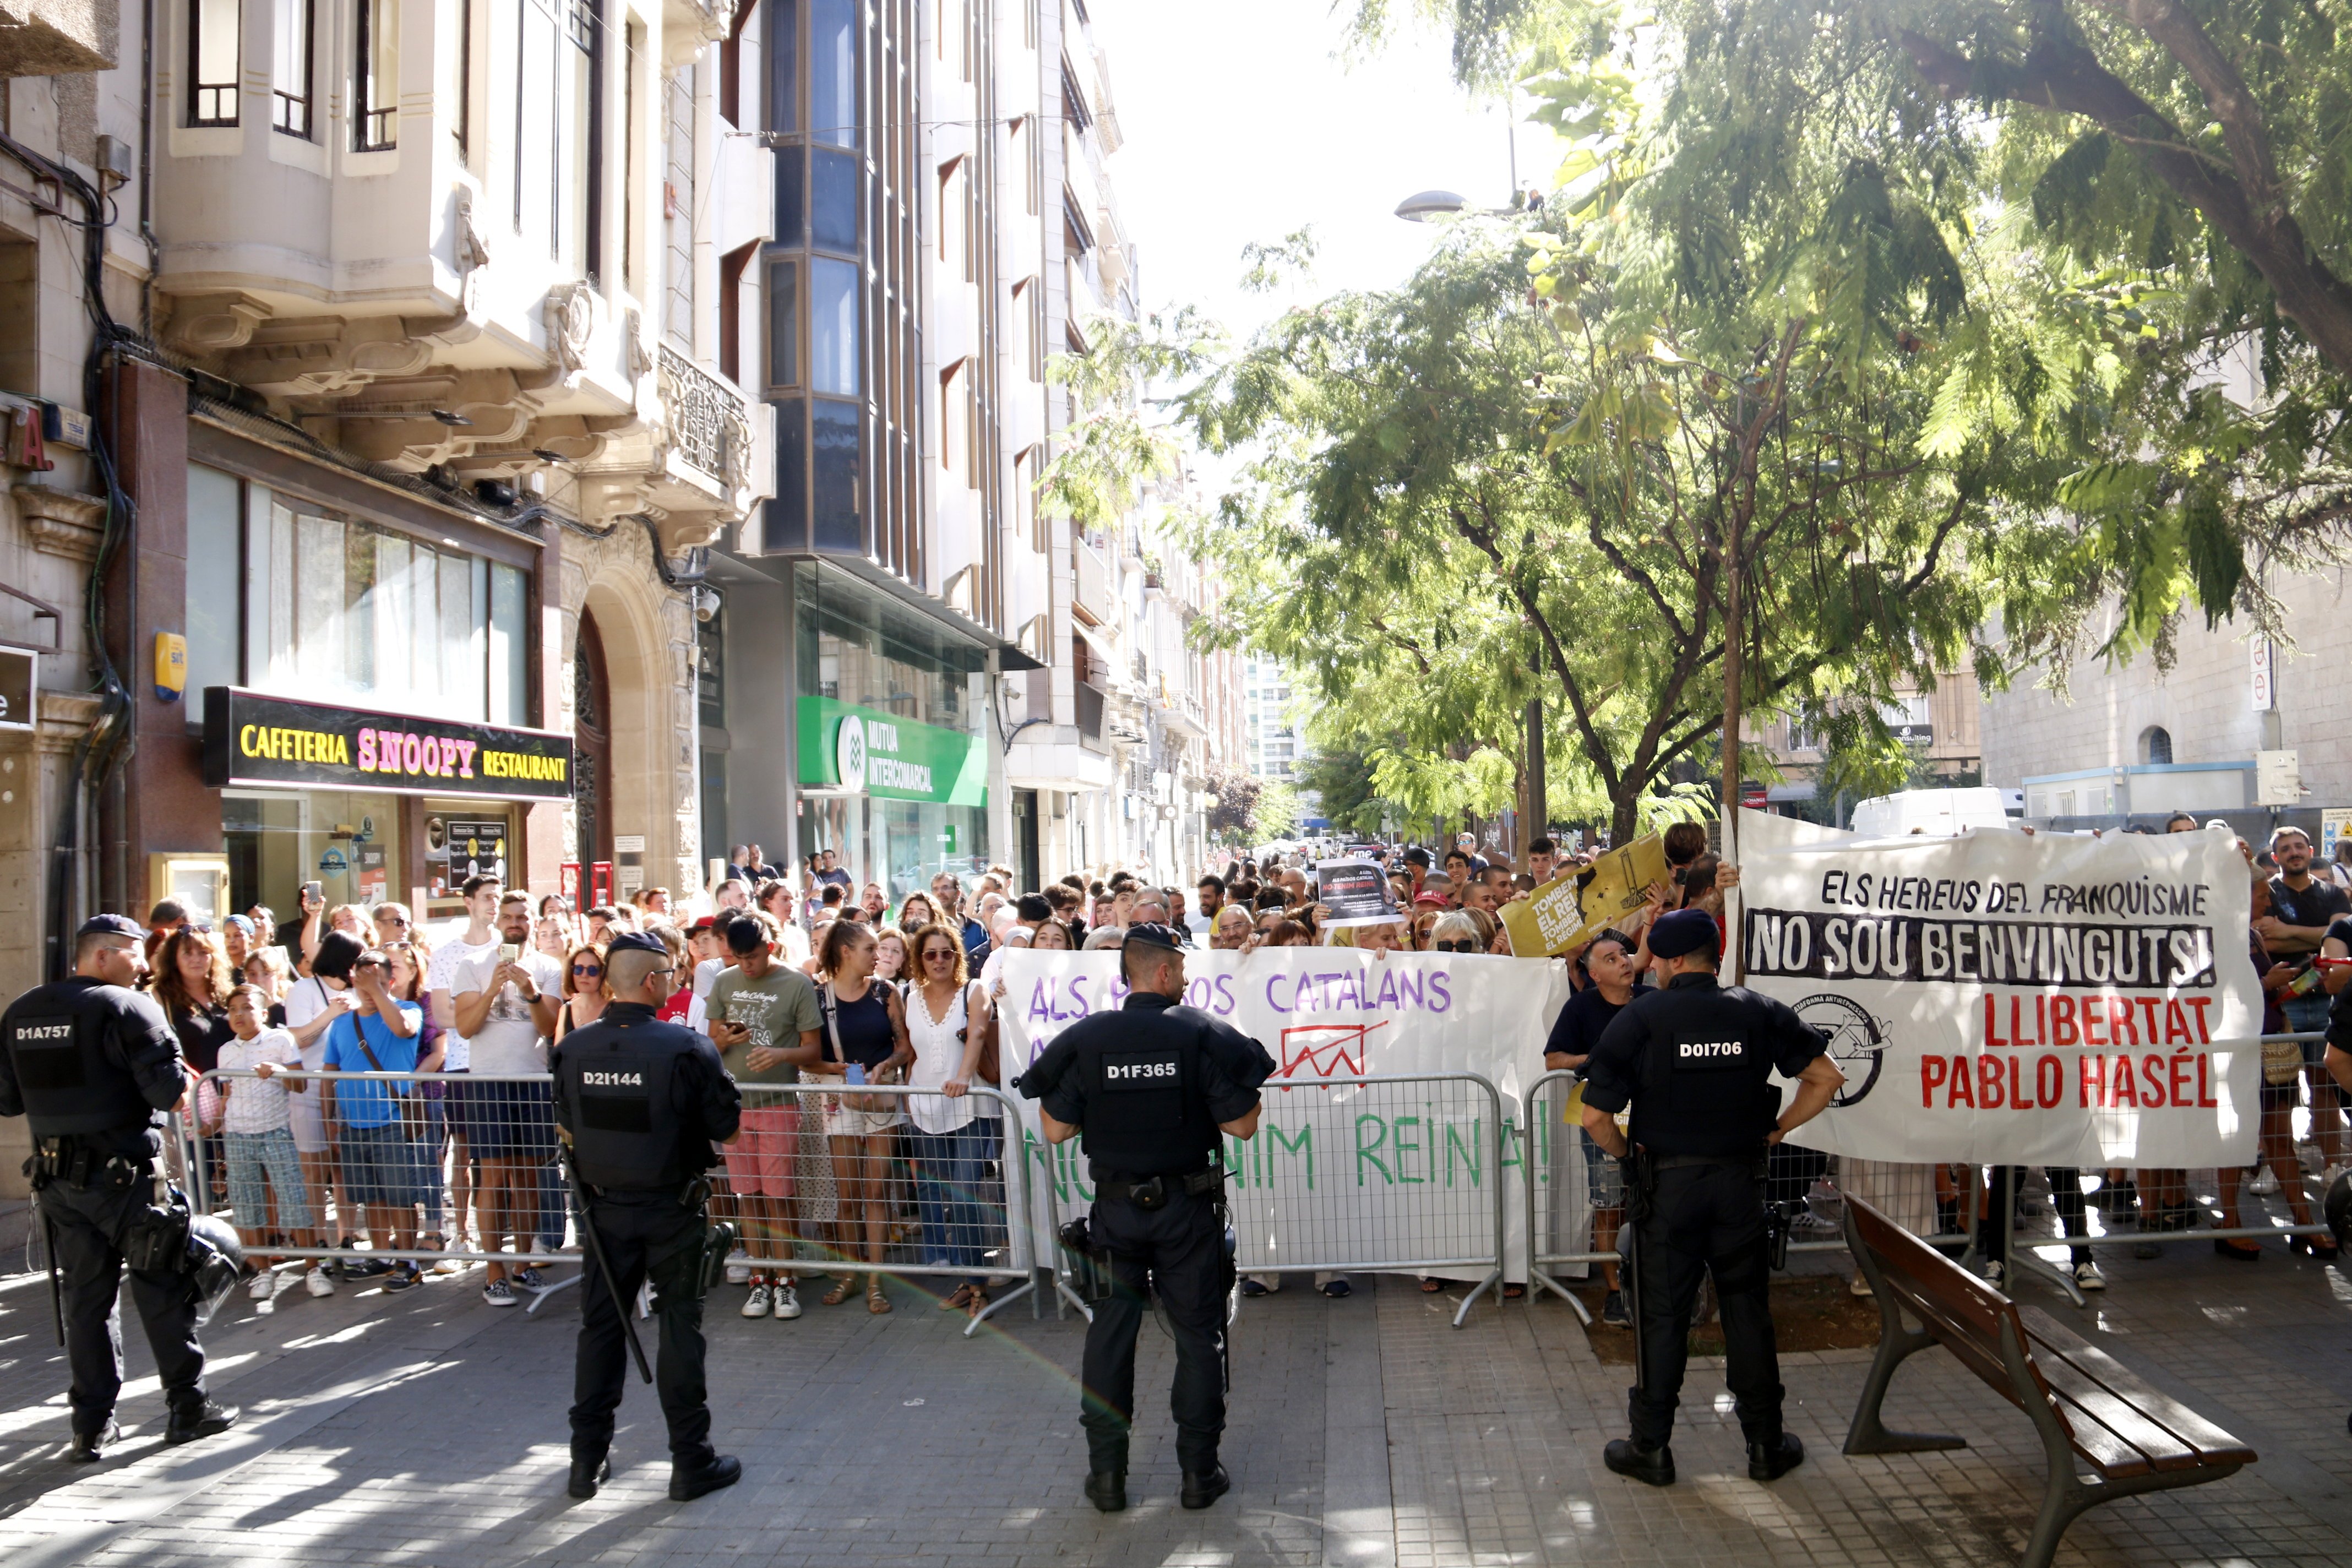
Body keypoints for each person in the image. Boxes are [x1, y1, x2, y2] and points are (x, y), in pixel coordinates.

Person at [1577, 908, 1844, 1488]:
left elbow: (1595, 1115)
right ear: (1712, 957)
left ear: (1671, 962)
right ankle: (1766, 1444)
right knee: (1746, 1309)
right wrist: (1776, 1131)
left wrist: (1627, 1156)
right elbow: (1826, 1077)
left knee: (1663, 1315)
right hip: (1740, 1186)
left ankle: (1651, 1446)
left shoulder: (1642, 1017)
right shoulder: (1758, 1010)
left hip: (1666, 1190)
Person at [1021, 923, 1275, 1515]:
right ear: (1162, 973)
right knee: (1198, 1339)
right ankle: (1198, 1474)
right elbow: (1243, 1124)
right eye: (1181, 969)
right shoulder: (1197, 1035)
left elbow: (1055, 1130)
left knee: (1110, 1337)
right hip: (1187, 1214)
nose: (1185, 979)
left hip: (1114, 1215)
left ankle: (1107, 1478)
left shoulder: (1089, 1039)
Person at [1, 914, 238, 1458]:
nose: (146, 964)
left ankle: (91, 1427)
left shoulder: (22, 1011)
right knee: (162, 1290)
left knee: (86, 1304)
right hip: (128, 1182)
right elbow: (166, 1091)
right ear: (102, 956)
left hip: (60, 1183)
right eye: (136, 954)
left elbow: (7, 1100)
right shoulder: (128, 1006)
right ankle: (187, 1408)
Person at [551, 930, 744, 1503]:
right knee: (680, 1329)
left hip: (605, 1210)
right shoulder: (686, 1048)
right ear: (654, 981)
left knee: (601, 1333)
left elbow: (566, 1129)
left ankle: (585, 1462)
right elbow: (726, 1128)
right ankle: (691, 1461)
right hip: (671, 1210)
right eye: (671, 975)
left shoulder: (573, 1048)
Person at [706, 913, 825, 1321]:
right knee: (748, 1197)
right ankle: (760, 1281)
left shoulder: (796, 983)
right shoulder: (724, 982)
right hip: (736, 1107)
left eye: (752, 957)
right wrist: (724, 1038)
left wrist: (780, 1054)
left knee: (779, 1197)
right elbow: (711, 1044)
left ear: (769, 948)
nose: (746, 966)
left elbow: (813, 1050)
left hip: (778, 1102)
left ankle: (786, 1282)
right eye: (739, 959)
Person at [451, 894, 563, 1305]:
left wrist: (530, 991)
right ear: (497, 921)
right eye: (508, 916)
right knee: (494, 1177)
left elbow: (550, 1027)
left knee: (529, 1178)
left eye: (522, 917)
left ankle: (522, 1265)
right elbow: (465, 1027)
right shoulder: (473, 965)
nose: (515, 923)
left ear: (533, 922)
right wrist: (493, 989)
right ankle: (493, 1271)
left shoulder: (549, 968)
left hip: (532, 1080)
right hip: (489, 1081)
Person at [1542, 928, 1647, 1327]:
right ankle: (1616, 1292)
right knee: (1609, 1207)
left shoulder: (1653, 1000)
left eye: (1624, 954)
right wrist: (1598, 1058)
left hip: (1654, 1121)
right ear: (1595, 975)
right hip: (1604, 1123)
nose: (1623, 961)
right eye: (1611, 959)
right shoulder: (1580, 1009)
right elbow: (1554, 1060)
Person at [810, 920, 915, 1313]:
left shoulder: (884, 991)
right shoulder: (819, 997)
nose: (880, 955)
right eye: (871, 948)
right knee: (848, 1193)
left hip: (883, 1094)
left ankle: (875, 1277)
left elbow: (905, 1046)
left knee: (876, 1190)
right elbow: (809, 1056)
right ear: (845, 951)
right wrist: (838, 1071)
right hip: (841, 1097)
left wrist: (884, 1066)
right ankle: (852, 1273)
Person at [322, 945, 434, 1292]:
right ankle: (383, 1255)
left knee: (400, 1196)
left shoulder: (409, 1009)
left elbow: (403, 1030)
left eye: (379, 982)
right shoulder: (343, 1024)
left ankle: (409, 1262)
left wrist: (375, 990)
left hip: (393, 1122)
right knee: (370, 1195)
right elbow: (330, 1071)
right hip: (354, 1125)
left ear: (392, 981)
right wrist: (329, 1119)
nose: (369, 991)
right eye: (363, 982)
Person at [903, 923, 997, 1316]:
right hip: (925, 1109)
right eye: (931, 954)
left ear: (958, 956)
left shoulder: (973, 991)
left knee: (963, 1192)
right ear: (920, 959)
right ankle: (969, 1280)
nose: (940, 960)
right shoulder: (909, 996)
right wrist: (906, 1093)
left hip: (970, 1108)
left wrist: (963, 1076)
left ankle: (980, 1283)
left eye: (947, 953)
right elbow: (911, 1049)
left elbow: (977, 1033)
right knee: (944, 1196)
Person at [213, 983, 314, 1313]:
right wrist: (215, 1127)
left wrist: (280, 1071)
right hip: (238, 1135)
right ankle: (263, 1271)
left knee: (293, 1199)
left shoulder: (280, 1039)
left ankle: (313, 1268)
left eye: (247, 1008)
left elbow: (300, 1084)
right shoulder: (225, 1050)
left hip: (274, 1131)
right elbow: (227, 1095)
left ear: (264, 1012)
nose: (239, 1015)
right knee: (246, 1205)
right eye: (233, 1010)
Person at [2268, 825, 2352, 1183]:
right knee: (2280, 1092)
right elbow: (2262, 935)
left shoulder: (2334, 894)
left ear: (2311, 849)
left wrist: (2286, 933)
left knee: (2324, 1085)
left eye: (2299, 846)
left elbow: (2337, 935)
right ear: (2276, 858)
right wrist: (2319, 937)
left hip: (2324, 1002)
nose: (2293, 852)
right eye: (2285, 849)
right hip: (2282, 1005)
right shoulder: (2265, 892)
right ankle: (2275, 1169)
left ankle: (2333, 1166)